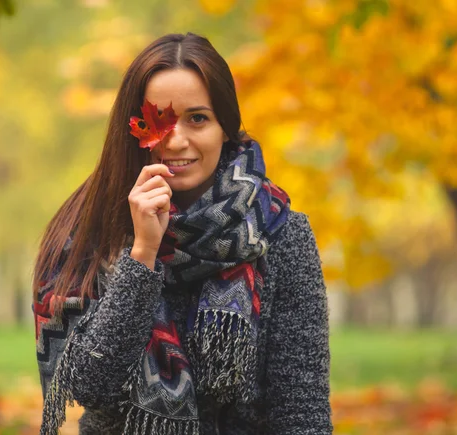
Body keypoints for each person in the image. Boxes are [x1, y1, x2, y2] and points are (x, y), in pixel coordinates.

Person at [33, 32, 332, 435]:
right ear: (132, 128)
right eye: (158, 120)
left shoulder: (281, 233)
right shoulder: (92, 231)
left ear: (225, 127)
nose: (176, 140)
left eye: (197, 118)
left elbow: (303, 411)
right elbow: (89, 387)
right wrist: (142, 255)